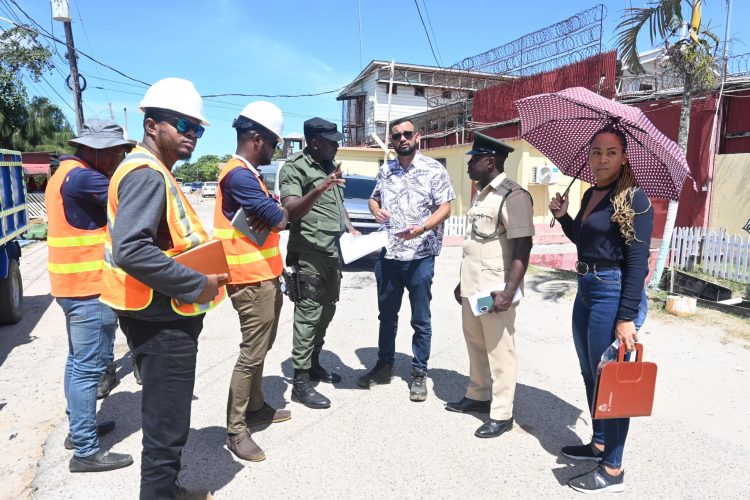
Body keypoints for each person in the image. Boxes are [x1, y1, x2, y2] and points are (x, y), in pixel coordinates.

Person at [99, 78, 226, 499]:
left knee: (165, 418)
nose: (191, 134)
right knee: (165, 426)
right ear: (152, 126)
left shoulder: (155, 171)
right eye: (182, 124)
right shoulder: (147, 173)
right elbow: (132, 249)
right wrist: (197, 284)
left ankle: (167, 491)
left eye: (197, 128)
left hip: (158, 314)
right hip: (161, 321)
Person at [549, 126, 653, 494]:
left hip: (612, 292)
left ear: (624, 157)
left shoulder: (634, 199)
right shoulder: (592, 193)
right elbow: (585, 240)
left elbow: (638, 262)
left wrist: (626, 316)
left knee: (612, 379)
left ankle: (613, 470)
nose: (602, 159)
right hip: (586, 288)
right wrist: (563, 216)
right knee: (590, 372)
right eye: (596, 152)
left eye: (611, 152)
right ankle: (600, 442)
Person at [46, 119, 134, 472]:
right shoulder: (85, 177)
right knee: (88, 368)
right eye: (116, 152)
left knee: (76, 362)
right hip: (88, 287)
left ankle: (78, 429)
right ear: (95, 149)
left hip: (71, 285)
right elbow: (130, 199)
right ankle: (84, 450)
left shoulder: (66, 171)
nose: (119, 159)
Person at [357, 117, 455, 402]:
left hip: (420, 257)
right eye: (397, 135)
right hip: (389, 255)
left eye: (407, 134)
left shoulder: (433, 169)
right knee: (386, 316)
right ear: (392, 140)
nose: (402, 139)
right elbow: (373, 199)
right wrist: (375, 210)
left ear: (418, 137)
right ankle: (384, 366)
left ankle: (418, 372)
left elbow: (446, 206)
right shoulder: (385, 170)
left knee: (420, 319)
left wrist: (423, 228)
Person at [214, 101, 290, 462]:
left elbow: (274, 217)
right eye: (274, 144)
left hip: (265, 275)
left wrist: (274, 212)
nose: (275, 151)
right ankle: (237, 428)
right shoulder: (240, 175)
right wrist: (275, 212)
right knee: (251, 353)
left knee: (262, 347)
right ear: (257, 140)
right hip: (249, 280)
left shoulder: (249, 174)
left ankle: (257, 408)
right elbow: (278, 218)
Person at [446, 133, 533, 437]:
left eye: (474, 159)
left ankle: (502, 413)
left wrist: (509, 291)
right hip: (474, 288)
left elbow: (523, 247)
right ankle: (478, 395)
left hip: (495, 290)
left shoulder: (514, 195)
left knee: (500, 350)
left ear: (491, 162)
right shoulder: (482, 194)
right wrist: (461, 282)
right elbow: (476, 243)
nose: (469, 164)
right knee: (476, 343)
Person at [279, 117, 360, 409]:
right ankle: (300, 381)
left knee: (327, 311)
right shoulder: (295, 167)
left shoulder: (330, 167)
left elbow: (338, 206)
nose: (337, 145)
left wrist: (349, 227)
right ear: (314, 142)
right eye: (332, 141)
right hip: (309, 253)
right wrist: (319, 188)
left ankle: (313, 362)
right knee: (309, 314)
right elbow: (290, 210)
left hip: (333, 253)